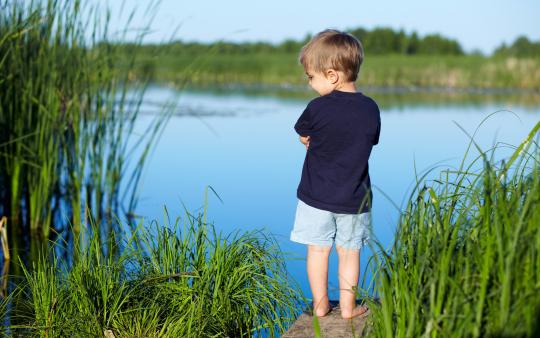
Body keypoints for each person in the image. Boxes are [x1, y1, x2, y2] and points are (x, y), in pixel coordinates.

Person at [290, 29, 380, 319]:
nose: (310, 84)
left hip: (315, 197)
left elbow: (304, 134)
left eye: (311, 77)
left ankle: (320, 306)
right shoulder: (370, 109)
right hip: (354, 198)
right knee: (350, 252)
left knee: (318, 252)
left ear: (332, 75)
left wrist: (309, 140)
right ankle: (349, 308)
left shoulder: (316, 108)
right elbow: (370, 139)